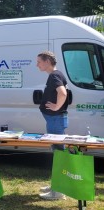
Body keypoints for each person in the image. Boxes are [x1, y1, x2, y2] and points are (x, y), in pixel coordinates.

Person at [36, 50, 69, 200]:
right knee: (57, 152)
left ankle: (58, 192)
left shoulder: (55, 75)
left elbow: (62, 93)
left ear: (48, 61)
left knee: (58, 154)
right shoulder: (56, 75)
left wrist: (56, 107)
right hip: (54, 119)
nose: (37, 65)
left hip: (55, 119)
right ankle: (56, 185)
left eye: (39, 62)